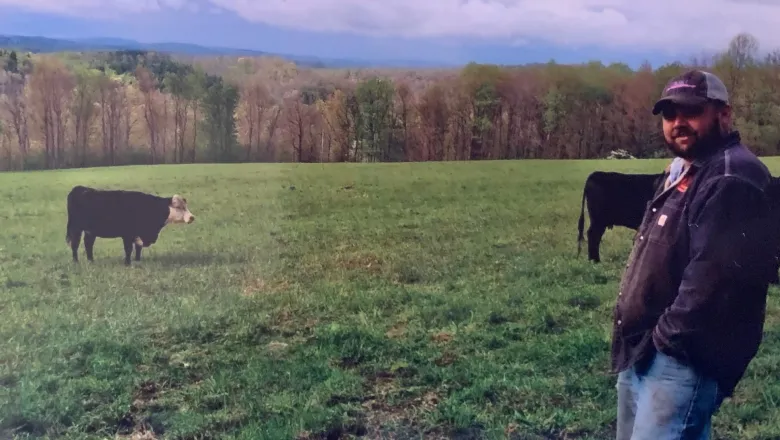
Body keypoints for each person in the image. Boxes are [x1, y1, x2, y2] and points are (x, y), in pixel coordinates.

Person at [611, 69, 778, 439]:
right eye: (669, 115)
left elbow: (713, 279)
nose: (677, 122)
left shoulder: (732, 178)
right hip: (644, 349)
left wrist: (665, 341)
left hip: (681, 357)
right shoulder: (688, 170)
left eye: (690, 111)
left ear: (723, 114)